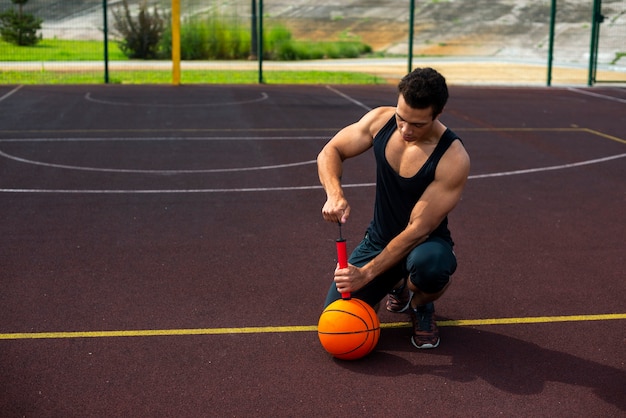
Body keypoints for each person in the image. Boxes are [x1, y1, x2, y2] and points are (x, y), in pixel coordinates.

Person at [317, 67, 470, 349]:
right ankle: (398, 284)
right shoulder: (381, 120)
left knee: (431, 267)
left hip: (425, 243)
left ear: (438, 113)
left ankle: (420, 304)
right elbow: (330, 151)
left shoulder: (452, 156)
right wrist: (334, 194)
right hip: (379, 239)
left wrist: (366, 273)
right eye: (401, 118)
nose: (405, 130)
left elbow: (417, 230)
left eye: (417, 124)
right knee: (335, 317)